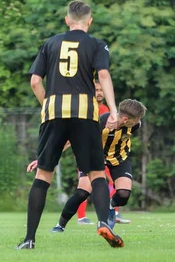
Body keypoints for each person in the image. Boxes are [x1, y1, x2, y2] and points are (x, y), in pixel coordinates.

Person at [17, 0, 123, 249]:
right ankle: (103, 224)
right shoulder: (97, 44)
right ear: (90, 20)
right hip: (85, 113)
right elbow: (104, 75)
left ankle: (30, 239)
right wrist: (114, 110)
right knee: (96, 173)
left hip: (54, 112)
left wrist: (47, 104)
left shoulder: (51, 43)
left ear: (67, 20)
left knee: (43, 175)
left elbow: (34, 81)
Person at [28, 99, 146, 233]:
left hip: (120, 159)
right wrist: (43, 159)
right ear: (125, 119)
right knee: (82, 193)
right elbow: (69, 142)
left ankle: (111, 206)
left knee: (123, 194)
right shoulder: (100, 123)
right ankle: (60, 225)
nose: (138, 122)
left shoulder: (136, 125)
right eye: (136, 119)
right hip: (95, 159)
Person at [77, 81, 132, 225]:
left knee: (115, 183)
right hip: (90, 154)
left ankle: (113, 213)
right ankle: (81, 217)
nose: (100, 92)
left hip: (107, 155)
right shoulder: (85, 109)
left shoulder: (106, 109)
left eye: (102, 89)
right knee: (85, 187)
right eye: (96, 89)